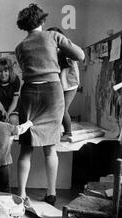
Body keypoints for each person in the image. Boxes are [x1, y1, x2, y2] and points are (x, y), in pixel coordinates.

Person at [15, 4, 85, 206]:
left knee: (26, 149)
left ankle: (21, 193)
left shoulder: (19, 47)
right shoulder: (53, 37)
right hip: (52, 93)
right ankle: (52, 193)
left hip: (28, 93)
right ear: (42, 20)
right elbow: (79, 55)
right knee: (49, 149)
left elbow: (25, 69)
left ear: (24, 25)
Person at [48, 27, 80, 141]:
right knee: (57, 108)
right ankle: (59, 131)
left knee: (62, 109)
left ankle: (68, 132)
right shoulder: (53, 50)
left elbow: (68, 62)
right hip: (61, 84)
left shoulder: (66, 48)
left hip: (70, 84)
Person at [0, 57, 21, 124]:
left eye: (6, 71)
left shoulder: (16, 80)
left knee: (13, 120)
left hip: (13, 107)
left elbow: (15, 101)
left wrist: (8, 113)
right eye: (0, 71)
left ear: (10, 71)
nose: (3, 74)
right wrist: (3, 111)